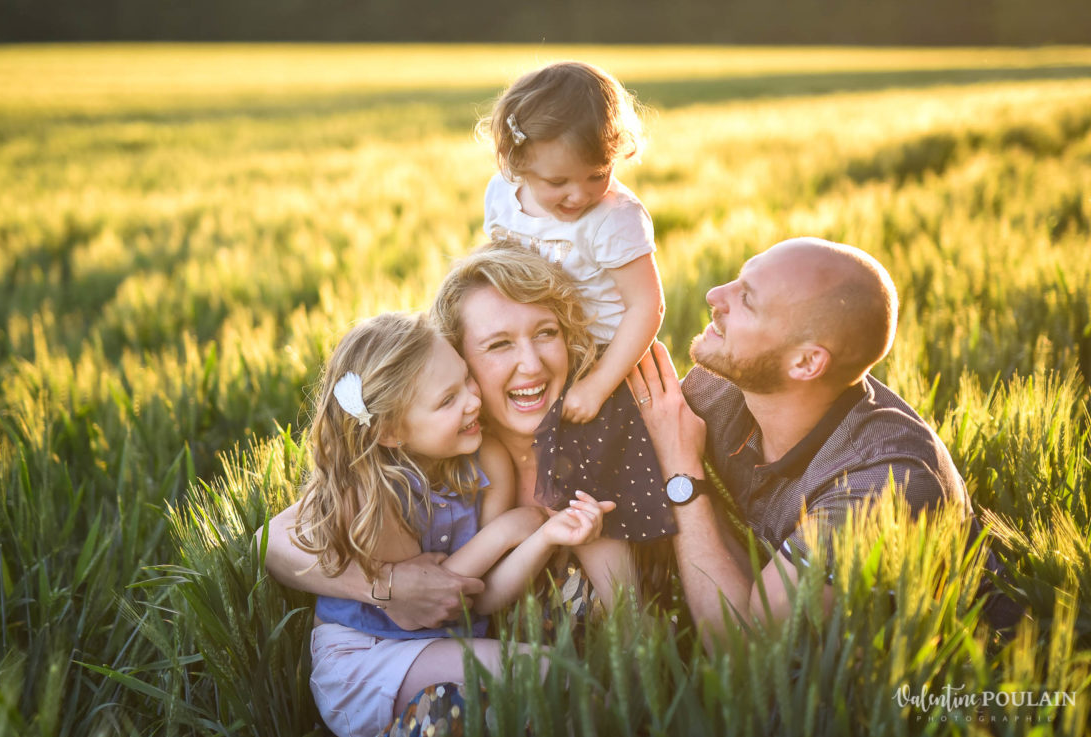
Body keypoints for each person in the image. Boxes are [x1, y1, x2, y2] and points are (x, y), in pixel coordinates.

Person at [624, 237, 975, 649]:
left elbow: (746, 647)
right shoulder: (720, 386)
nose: (714, 296)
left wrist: (680, 469)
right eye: (737, 281)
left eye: (747, 300)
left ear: (807, 362)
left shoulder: (882, 488)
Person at [296, 311, 613, 736]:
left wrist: (544, 536)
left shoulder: (487, 460)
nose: (472, 401)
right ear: (390, 431)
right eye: (447, 400)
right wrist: (505, 532)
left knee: (548, 680)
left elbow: (484, 597)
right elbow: (428, 604)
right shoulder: (371, 494)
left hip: (447, 638)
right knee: (546, 673)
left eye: (466, 379)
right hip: (370, 656)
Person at [481, 61, 664, 425]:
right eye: (557, 182)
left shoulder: (613, 217)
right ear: (517, 162)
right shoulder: (502, 194)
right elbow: (497, 267)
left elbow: (647, 306)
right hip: (535, 352)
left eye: (597, 175)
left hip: (606, 361)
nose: (579, 195)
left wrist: (597, 385)